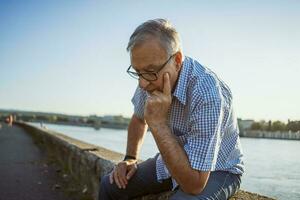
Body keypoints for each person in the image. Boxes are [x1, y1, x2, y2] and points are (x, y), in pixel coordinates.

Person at [99, 18, 244, 200]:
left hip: (217, 170)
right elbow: (138, 118)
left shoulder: (208, 94)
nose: (142, 84)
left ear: (176, 60)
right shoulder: (150, 78)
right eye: (137, 72)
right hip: (172, 160)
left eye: (150, 72)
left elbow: (195, 185)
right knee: (109, 184)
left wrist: (158, 124)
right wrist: (130, 157)